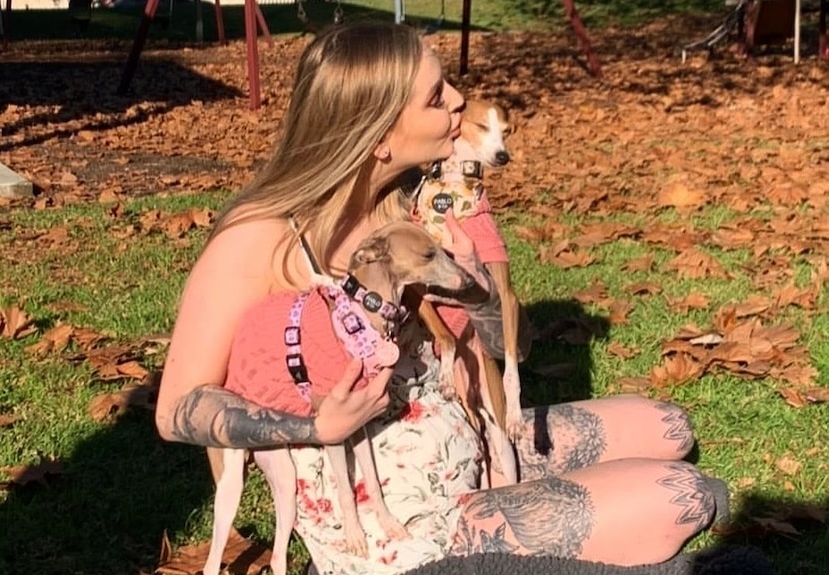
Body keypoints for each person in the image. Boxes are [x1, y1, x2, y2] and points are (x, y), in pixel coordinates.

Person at [155, 21, 724, 575]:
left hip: (470, 434)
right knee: (682, 495)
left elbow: (514, 347)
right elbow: (176, 409)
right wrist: (313, 429)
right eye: (435, 97)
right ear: (376, 136)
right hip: (402, 513)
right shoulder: (260, 237)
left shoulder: (415, 207)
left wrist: (476, 289)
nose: (458, 101)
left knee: (670, 428)